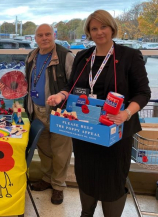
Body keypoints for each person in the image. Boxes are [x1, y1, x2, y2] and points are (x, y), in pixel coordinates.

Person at [47, 10, 151, 216]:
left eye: (103, 27)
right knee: (86, 176)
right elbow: (71, 86)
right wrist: (60, 96)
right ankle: (86, 213)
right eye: (94, 28)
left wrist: (126, 114)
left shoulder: (129, 56)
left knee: (112, 180)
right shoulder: (83, 57)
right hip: (86, 130)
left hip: (116, 132)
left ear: (112, 28)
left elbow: (142, 93)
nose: (99, 32)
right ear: (89, 32)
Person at [0, 24, 74, 205]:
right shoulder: (32, 56)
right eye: (40, 35)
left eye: (48, 34)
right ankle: (47, 179)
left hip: (59, 112)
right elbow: (27, 83)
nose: (44, 38)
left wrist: (61, 97)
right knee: (45, 149)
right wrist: (7, 87)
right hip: (37, 110)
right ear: (35, 38)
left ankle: (58, 186)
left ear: (53, 35)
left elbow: (74, 85)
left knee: (61, 152)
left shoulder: (65, 56)